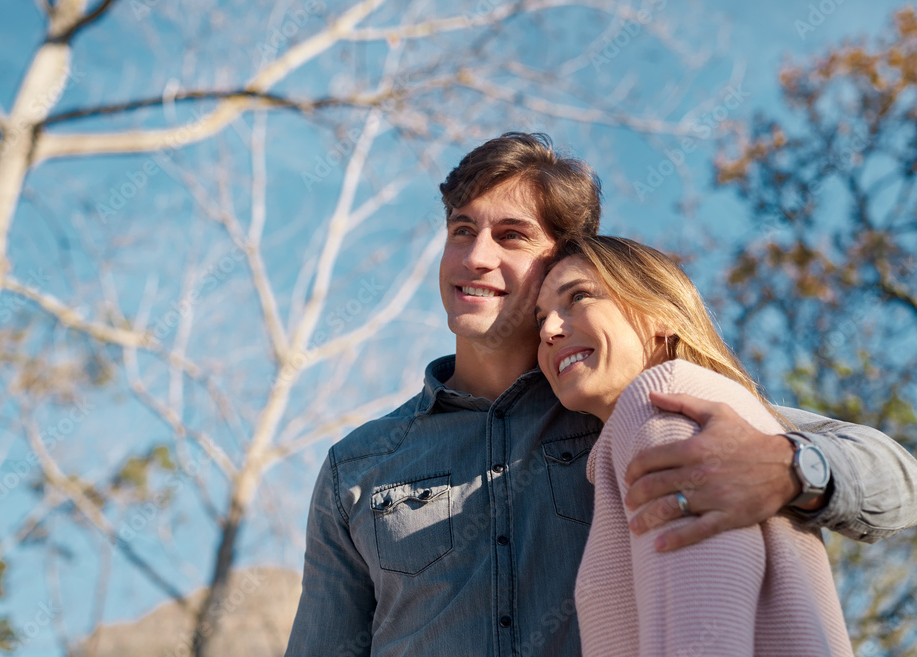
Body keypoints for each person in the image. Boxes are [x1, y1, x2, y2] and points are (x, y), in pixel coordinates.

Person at [285, 133, 917, 657]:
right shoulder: (359, 464)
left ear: (562, 263)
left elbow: (899, 479)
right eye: (460, 229)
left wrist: (789, 467)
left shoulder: (639, 404)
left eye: (512, 235)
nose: (475, 257)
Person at [536, 235, 854, 656]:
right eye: (538, 320)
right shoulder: (698, 410)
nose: (548, 330)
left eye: (578, 297)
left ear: (660, 313)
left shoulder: (663, 403)